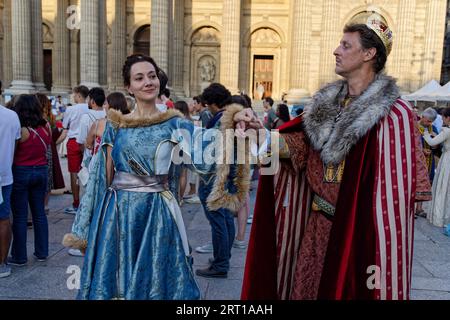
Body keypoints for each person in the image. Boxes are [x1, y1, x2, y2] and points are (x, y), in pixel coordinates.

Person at [241, 12, 431, 300]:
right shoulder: (324, 105)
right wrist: (263, 138)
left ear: (369, 53)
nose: (335, 50)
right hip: (317, 227)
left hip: (361, 236)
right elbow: (299, 148)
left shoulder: (396, 113)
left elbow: (399, 192)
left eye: (345, 45)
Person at [62, 54, 251, 299]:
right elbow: (102, 176)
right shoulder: (115, 125)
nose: (148, 82)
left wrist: (232, 122)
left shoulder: (175, 124)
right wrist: (91, 226)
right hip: (118, 213)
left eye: (152, 76)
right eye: (139, 78)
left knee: (158, 279)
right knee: (118, 277)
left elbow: (207, 156)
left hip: (158, 211)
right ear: (129, 87)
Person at [9, 95, 51, 266]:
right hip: (41, 171)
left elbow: (13, 153)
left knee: (19, 216)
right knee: (39, 214)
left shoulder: (21, 129)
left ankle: (19, 256)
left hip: (22, 172)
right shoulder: (46, 126)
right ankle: (42, 252)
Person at [56, 86, 90, 215]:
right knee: (89, 171)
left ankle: (76, 204)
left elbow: (65, 129)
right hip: (88, 142)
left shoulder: (71, 109)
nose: (73, 97)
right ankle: (88, 203)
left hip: (74, 142)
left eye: (74, 95)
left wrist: (55, 143)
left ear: (78, 95)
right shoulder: (90, 107)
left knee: (74, 173)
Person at [0, 101, 21, 278]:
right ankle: (2, 263)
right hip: (4, 174)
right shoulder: (11, 116)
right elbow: (17, 141)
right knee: (3, 218)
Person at [422, 107, 450, 230]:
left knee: (443, 187)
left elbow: (432, 142)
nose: (442, 119)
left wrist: (426, 133)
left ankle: (440, 216)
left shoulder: (447, 130)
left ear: (448, 118)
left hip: (447, 160)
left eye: (443, 117)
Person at [415, 107, 440, 218]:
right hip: (415, 161)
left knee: (425, 183)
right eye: (428, 121)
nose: (429, 123)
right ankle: (411, 209)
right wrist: (421, 151)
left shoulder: (433, 128)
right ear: (423, 116)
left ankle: (419, 209)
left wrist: (434, 145)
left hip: (429, 161)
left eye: (431, 121)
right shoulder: (414, 127)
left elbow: (437, 144)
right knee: (414, 183)